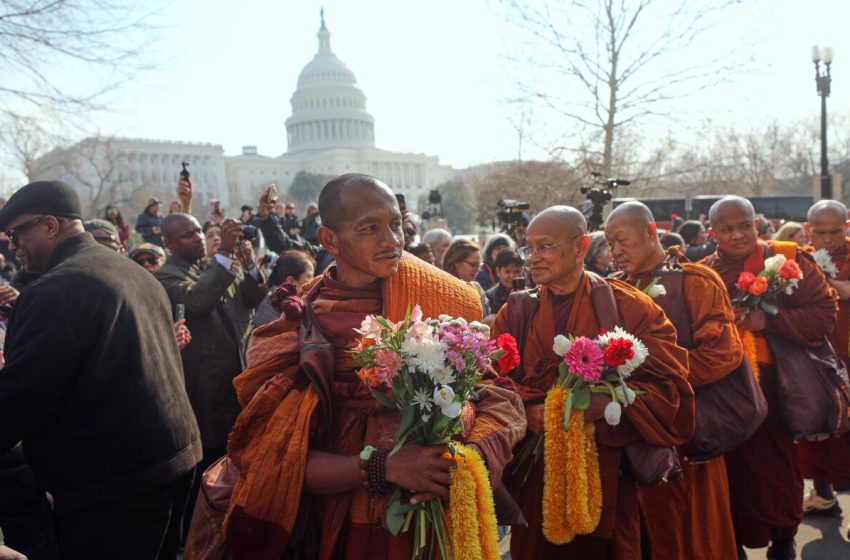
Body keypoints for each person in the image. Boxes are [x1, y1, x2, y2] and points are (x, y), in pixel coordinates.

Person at [209, 173, 526, 559]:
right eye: (370, 228)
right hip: (343, 525)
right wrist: (385, 467)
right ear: (329, 240)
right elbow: (272, 457)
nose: (392, 240)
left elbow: (495, 396)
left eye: (395, 224)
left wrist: (459, 459)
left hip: (437, 517)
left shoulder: (440, 301)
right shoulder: (302, 327)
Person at [0, 181, 201, 560]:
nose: (11, 245)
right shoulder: (133, 272)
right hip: (172, 461)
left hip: (114, 487)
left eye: (15, 233)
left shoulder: (52, 294)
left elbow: (16, 401)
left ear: (50, 225)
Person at [491, 205, 694, 559]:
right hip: (534, 475)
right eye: (529, 248)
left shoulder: (629, 306)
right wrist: (528, 409)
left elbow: (672, 387)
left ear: (581, 247)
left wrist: (614, 402)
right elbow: (489, 385)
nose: (533, 258)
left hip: (608, 474)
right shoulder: (517, 312)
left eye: (546, 247)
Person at [605, 201, 740, 560]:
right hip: (635, 434)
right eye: (610, 244)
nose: (616, 251)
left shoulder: (695, 281)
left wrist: (661, 387)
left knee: (696, 533)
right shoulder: (610, 289)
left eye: (622, 241)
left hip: (689, 431)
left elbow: (723, 353)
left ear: (651, 231)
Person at [704, 195, 837, 560]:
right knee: (730, 475)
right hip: (725, 392)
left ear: (756, 224)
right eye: (727, 229)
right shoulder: (702, 274)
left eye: (744, 226)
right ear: (712, 232)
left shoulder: (785, 259)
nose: (737, 235)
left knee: (776, 473)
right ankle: (734, 548)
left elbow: (825, 313)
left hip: (776, 391)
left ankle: (783, 544)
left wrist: (770, 321)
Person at [155, 214, 268, 534]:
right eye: (188, 235)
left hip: (233, 383)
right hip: (202, 391)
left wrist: (247, 264)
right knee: (206, 468)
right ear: (169, 244)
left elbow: (251, 299)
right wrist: (223, 256)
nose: (199, 238)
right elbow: (198, 301)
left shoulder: (215, 268)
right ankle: (194, 537)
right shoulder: (166, 277)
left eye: (198, 232)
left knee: (233, 461)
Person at [798, 200, 850, 521]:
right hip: (815, 355)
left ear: (846, 227)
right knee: (818, 424)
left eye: (835, 231)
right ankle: (823, 495)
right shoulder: (795, 260)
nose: (828, 239)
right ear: (808, 230)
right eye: (820, 232)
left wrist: (829, 284)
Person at [253, 249, 316, 327]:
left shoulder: (283, 303)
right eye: (309, 276)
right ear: (291, 281)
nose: (314, 280)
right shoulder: (274, 318)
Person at [443, 239, 491, 317]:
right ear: (457, 262)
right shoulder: (444, 289)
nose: (477, 269)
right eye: (473, 265)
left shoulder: (477, 287)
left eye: (479, 265)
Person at [486, 248, 524, 314]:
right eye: (507, 271)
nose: (512, 276)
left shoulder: (529, 293)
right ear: (498, 271)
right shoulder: (490, 296)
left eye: (516, 271)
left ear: (522, 270)